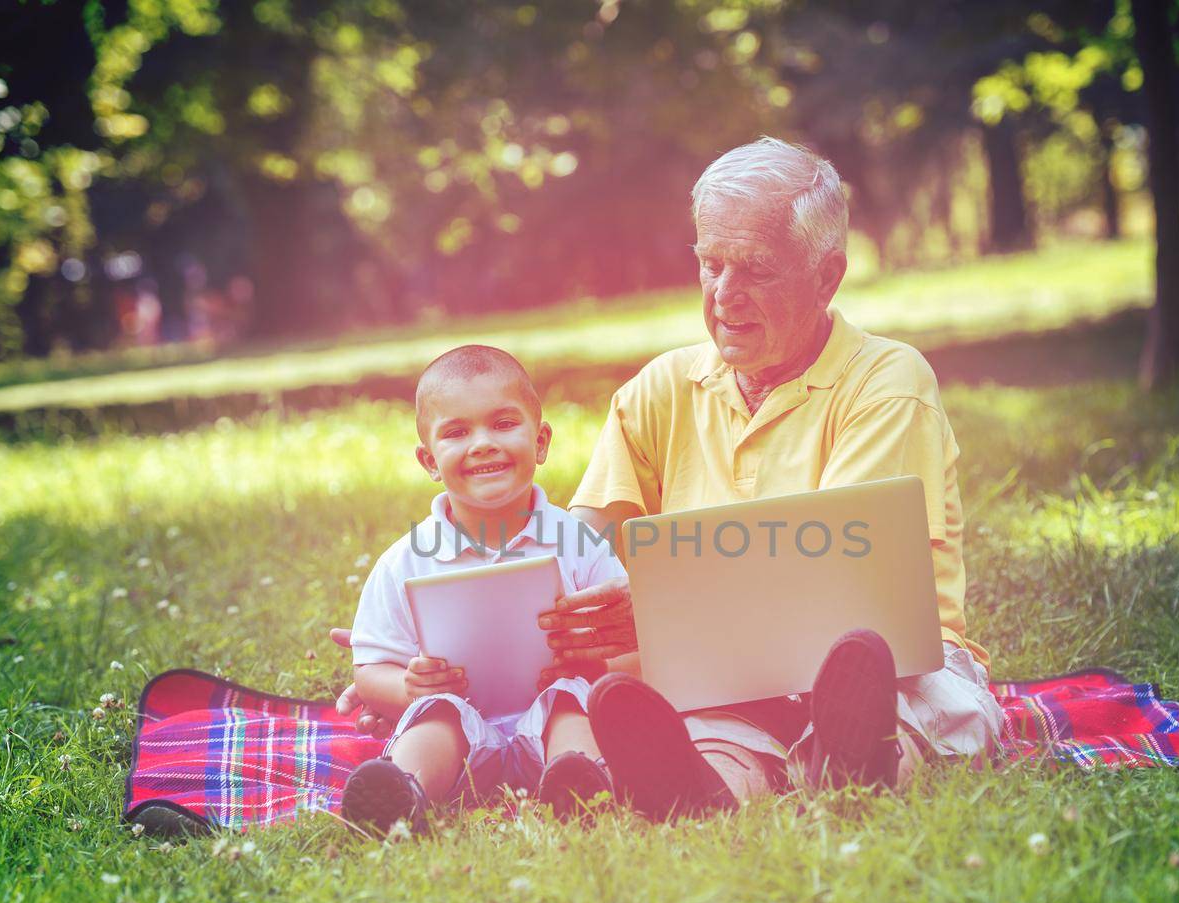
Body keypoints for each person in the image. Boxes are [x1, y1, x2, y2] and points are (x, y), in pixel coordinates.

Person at [534, 136, 1005, 814]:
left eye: (755, 269)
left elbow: (839, 574)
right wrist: (407, 657)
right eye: (711, 263)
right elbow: (576, 554)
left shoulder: (886, 382)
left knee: (911, 709)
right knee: (715, 733)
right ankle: (703, 791)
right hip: (723, 673)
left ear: (827, 275)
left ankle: (863, 762)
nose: (725, 294)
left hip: (883, 662)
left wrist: (667, 611)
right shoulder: (661, 388)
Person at [339, 345, 628, 832]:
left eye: (502, 424)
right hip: (460, 732)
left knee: (570, 702)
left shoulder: (577, 543)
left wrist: (594, 664)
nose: (482, 444)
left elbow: (627, 640)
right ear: (429, 460)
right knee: (437, 716)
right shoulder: (405, 561)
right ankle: (401, 797)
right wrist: (408, 687)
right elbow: (370, 672)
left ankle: (580, 787)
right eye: (457, 432)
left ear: (540, 442)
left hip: (552, 719)